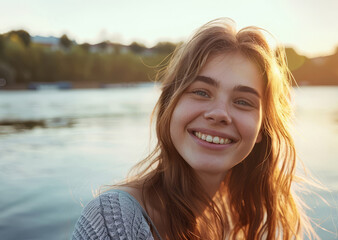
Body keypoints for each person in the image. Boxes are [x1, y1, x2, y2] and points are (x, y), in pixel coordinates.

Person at [72, 18, 319, 240]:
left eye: (243, 101)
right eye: (201, 92)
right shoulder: (114, 221)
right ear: (170, 104)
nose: (219, 114)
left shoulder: (246, 221)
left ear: (262, 129)